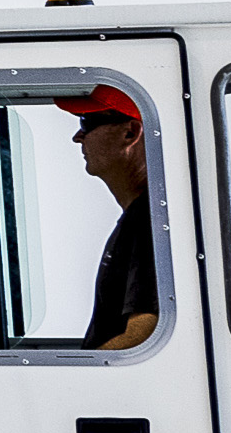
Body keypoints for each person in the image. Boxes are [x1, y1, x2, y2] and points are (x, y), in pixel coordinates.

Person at [61, 91, 159, 349]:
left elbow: (145, 338)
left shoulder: (154, 222)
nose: (77, 137)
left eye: (87, 122)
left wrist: (72, 384)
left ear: (130, 133)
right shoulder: (142, 217)